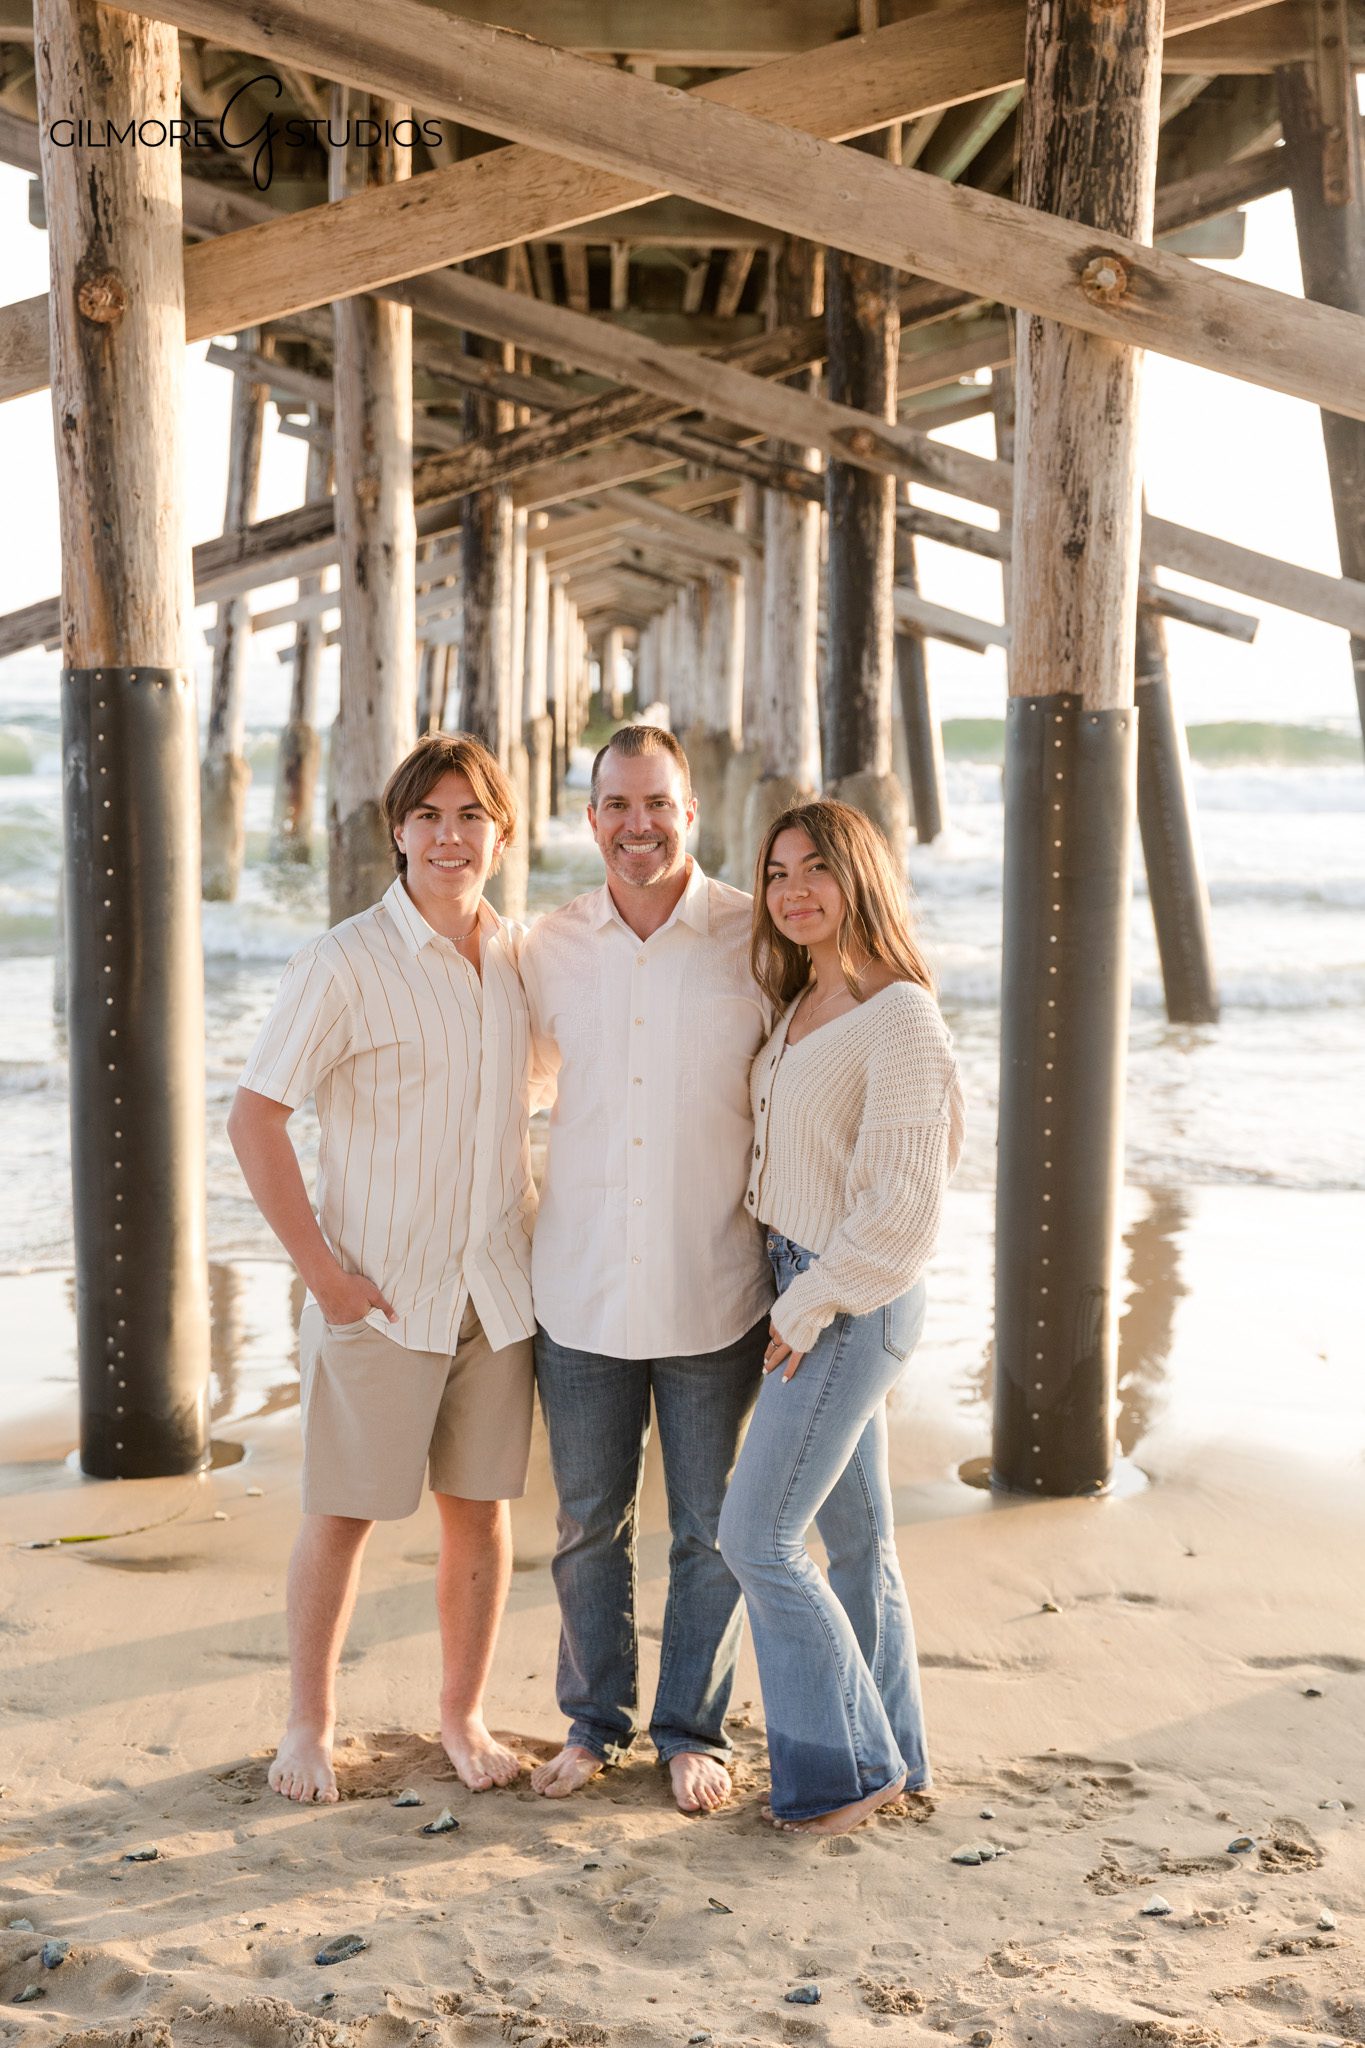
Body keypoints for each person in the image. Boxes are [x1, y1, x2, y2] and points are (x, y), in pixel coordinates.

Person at [227, 732, 538, 1805]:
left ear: (502, 833)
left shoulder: (518, 958)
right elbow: (254, 1115)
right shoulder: (343, 961)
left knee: (480, 1512)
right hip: (379, 1290)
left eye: (472, 816)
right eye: (430, 815)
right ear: (397, 831)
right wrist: (323, 1273)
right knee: (343, 1513)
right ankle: (307, 1723)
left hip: (496, 1291)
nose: (451, 835)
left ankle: (461, 1713)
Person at [519, 724, 772, 1815]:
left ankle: (691, 1729)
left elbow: (817, 1071)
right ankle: (594, 1720)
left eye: (658, 803)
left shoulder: (756, 939)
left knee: (710, 1528)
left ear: (693, 812)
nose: (639, 826)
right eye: (617, 805)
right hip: (578, 1288)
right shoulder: (548, 949)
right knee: (586, 1520)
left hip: (716, 1285)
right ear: (589, 817)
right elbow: (503, 1088)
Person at [717, 798, 965, 1837]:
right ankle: (898, 1759)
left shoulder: (900, 1013)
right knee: (858, 1547)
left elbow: (905, 1205)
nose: (792, 891)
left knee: (757, 1536)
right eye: (776, 873)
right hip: (806, 1280)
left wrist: (811, 1299)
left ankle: (842, 1768)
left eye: (815, 868)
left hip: (848, 1295)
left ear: (860, 873)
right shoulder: (803, 994)